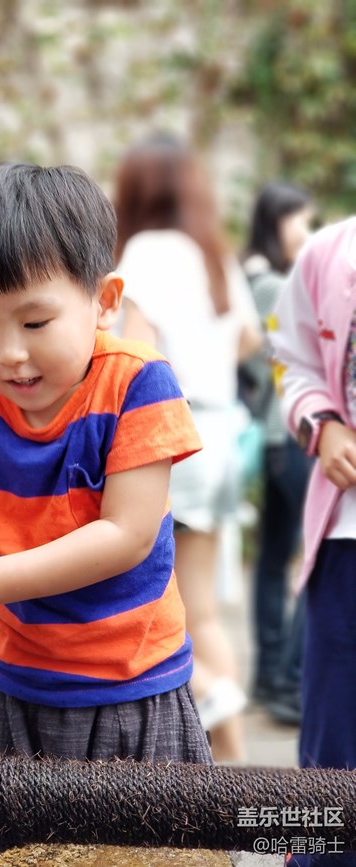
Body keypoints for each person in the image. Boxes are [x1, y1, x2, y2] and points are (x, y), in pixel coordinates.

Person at [0, 161, 212, 765]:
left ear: (103, 301)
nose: (8, 353)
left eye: (35, 322)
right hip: (13, 682)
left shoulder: (138, 384)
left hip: (129, 687)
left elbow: (127, 537)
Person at [113, 134, 262, 762]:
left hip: (177, 434)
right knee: (200, 605)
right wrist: (207, 365)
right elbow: (252, 337)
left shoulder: (145, 250)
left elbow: (140, 351)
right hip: (227, 432)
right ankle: (232, 759)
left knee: (154, 600)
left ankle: (213, 700)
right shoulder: (211, 251)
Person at [271, 216, 356, 866]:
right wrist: (322, 423)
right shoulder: (330, 253)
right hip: (347, 543)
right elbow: (292, 358)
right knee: (332, 750)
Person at [241, 181, 316, 725]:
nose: (306, 233)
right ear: (276, 221)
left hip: (273, 438)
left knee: (273, 558)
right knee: (314, 555)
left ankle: (271, 676)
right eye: (299, 222)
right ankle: (287, 680)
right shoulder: (274, 284)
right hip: (293, 435)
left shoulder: (251, 278)